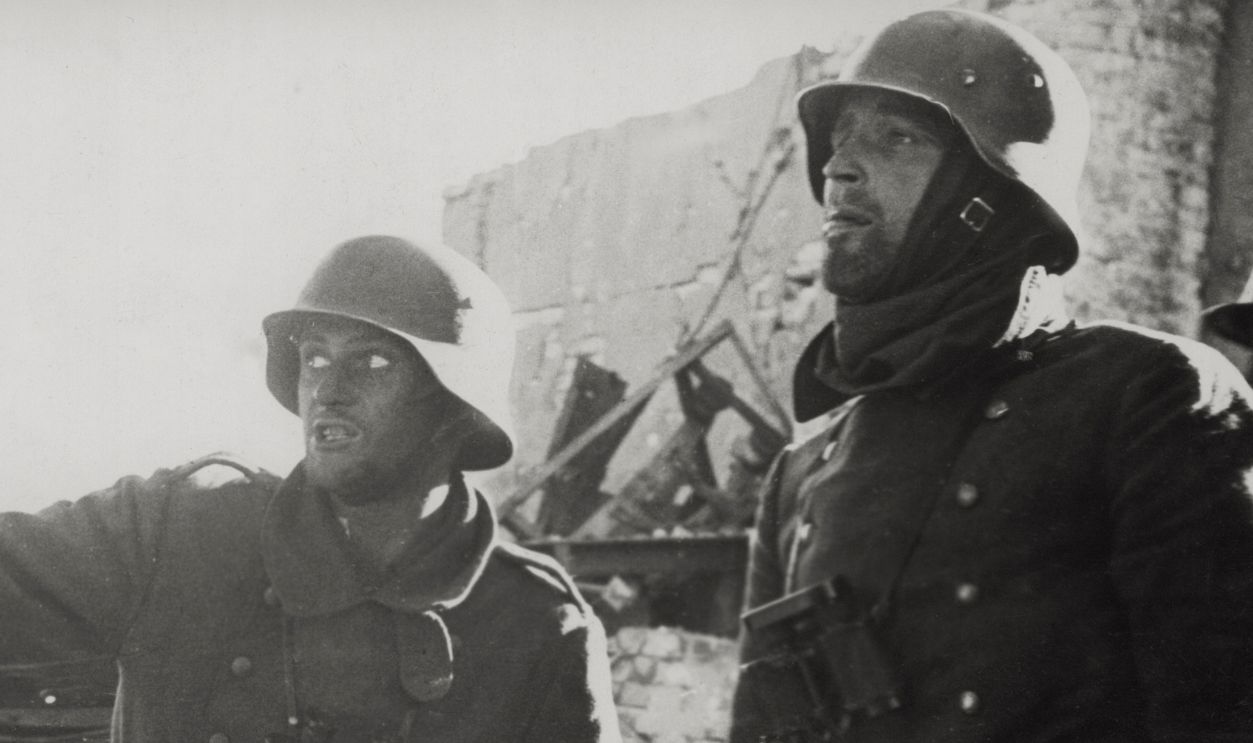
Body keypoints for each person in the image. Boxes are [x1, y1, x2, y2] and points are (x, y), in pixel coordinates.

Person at [730, 9, 1253, 743]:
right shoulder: (801, 474)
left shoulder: (1147, 396)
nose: (837, 166)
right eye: (841, 136)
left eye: (896, 137)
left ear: (986, 196)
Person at [0, 235, 621, 742]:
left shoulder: (538, 626)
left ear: (456, 409)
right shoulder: (179, 527)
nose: (327, 389)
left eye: (373, 362)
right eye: (316, 358)